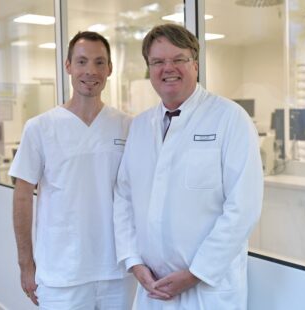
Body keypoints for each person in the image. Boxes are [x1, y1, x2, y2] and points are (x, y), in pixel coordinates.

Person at [113, 24, 264, 309]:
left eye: (178, 59)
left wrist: (196, 272)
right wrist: (133, 261)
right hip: (152, 287)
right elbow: (124, 198)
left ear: (195, 63)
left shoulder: (230, 119)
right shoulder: (141, 126)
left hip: (207, 288)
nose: (167, 68)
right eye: (157, 62)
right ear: (149, 70)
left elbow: (243, 207)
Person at [9, 31, 134, 309]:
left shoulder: (127, 126)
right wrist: (26, 264)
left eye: (100, 63)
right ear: (68, 66)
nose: (90, 71)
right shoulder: (40, 128)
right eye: (82, 61)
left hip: (118, 272)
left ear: (110, 69)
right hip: (61, 275)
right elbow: (21, 198)